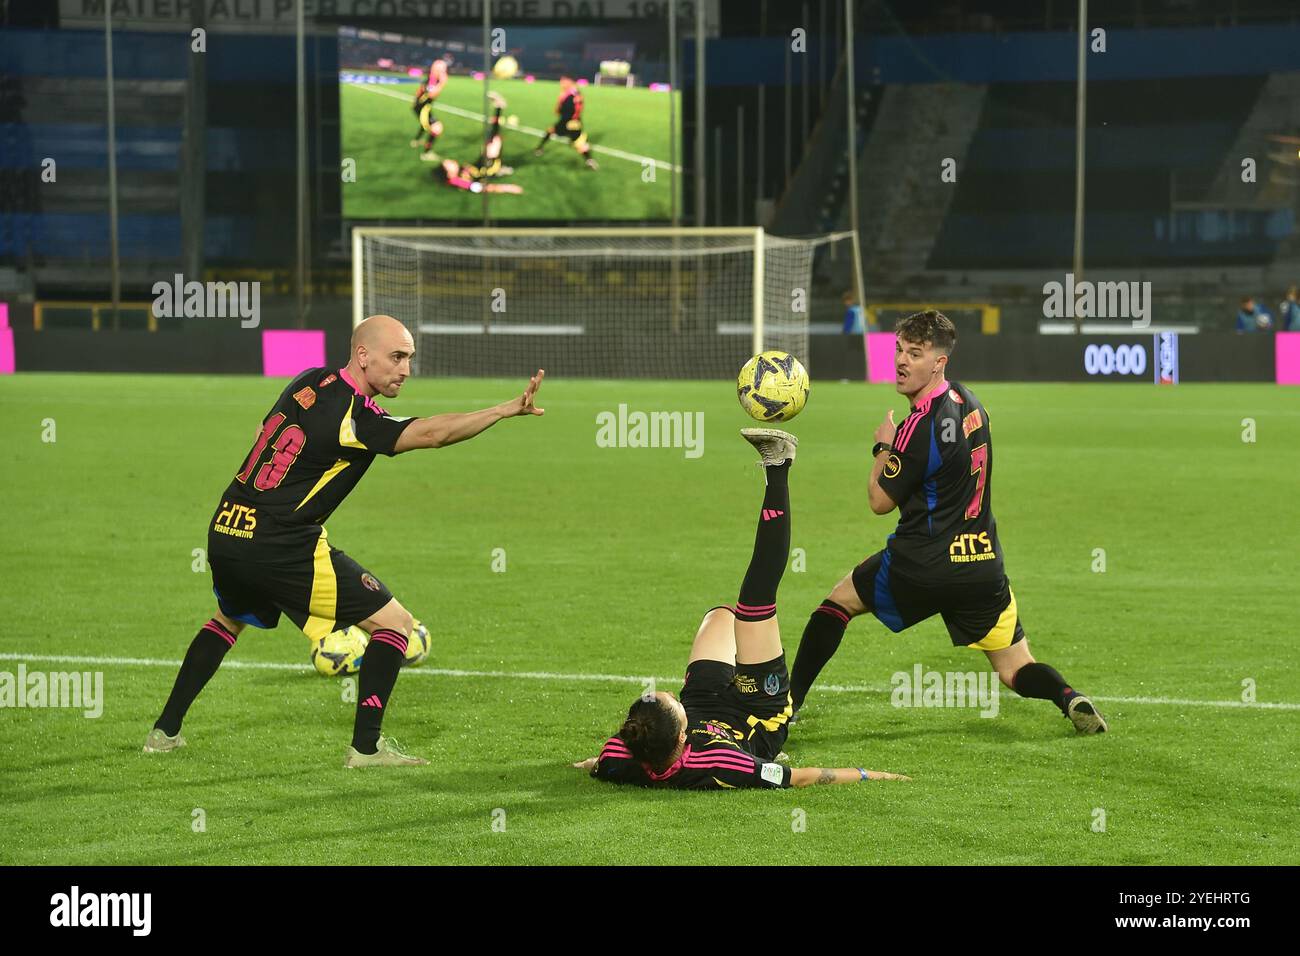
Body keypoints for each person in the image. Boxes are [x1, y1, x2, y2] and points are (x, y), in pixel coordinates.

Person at [144, 315, 545, 766]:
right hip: (281, 545)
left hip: (228, 526)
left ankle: (163, 732)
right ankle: (366, 749)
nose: (405, 369)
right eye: (396, 357)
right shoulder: (357, 419)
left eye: (409, 358)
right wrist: (502, 410)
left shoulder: (309, 379)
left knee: (228, 620)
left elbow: (262, 435)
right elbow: (433, 434)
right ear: (363, 355)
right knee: (396, 625)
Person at [788, 310, 1108, 735]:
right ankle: (1067, 697)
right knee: (1016, 668)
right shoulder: (973, 404)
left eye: (915, 354)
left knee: (836, 605)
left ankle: (786, 707)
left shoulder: (918, 426)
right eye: (898, 349)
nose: (901, 361)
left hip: (921, 563)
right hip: (981, 563)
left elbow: (879, 501)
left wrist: (883, 445)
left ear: (938, 362)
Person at [576, 428, 912, 789]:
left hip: (704, 700)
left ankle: (751, 643)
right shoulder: (723, 763)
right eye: (671, 701)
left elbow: (601, 761)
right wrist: (872, 774)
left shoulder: (622, 751)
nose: (671, 694)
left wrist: (589, 766)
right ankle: (779, 464)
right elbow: (800, 778)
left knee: (720, 616)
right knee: (755, 599)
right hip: (758, 713)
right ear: (681, 738)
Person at [433, 92, 522, 194]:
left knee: (492, 138)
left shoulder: (456, 173)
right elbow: (479, 188)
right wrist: (507, 188)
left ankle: (499, 108)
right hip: (489, 168)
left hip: (483, 163)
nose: (452, 161)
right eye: (449, 164)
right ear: (449, 173)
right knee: (493, 140)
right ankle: (499, 107)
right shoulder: (455, 181)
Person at [534, 75, 598, 170]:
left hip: (567, 121)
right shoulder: (577, 93)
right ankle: (590, 160)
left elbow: (562, 110)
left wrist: (560, 105)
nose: (561, 83)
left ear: (569, 81)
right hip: (576, 122)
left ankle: (539, 149)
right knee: (579, 142)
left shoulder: (568, 95)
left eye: (563, 81)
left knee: (551, 130)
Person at [412, 59, 448, 161]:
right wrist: (442, 83)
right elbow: (432, 94)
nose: (444, 72)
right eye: (442, 70)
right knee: (437, 128)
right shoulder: (433, 80)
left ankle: (416, 141)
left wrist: (416, 100)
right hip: (422, 108)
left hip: (422, 107)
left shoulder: (431, 78)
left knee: (425, 124)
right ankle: (426, 153)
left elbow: (419, 91)